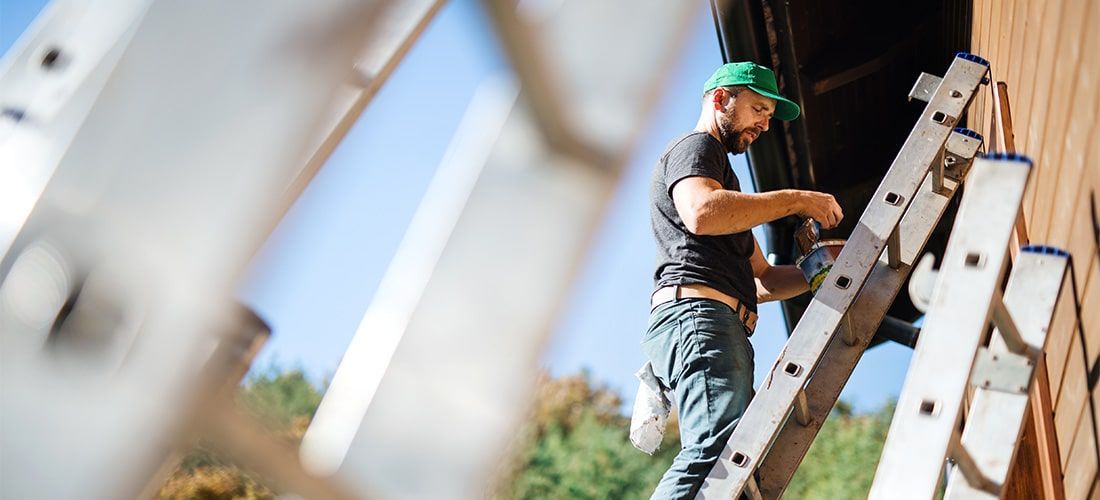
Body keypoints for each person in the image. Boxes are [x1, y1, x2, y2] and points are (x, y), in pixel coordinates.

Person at [643, 61, 844, 499]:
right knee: (716, 443)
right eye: (757, 109)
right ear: (721, 100)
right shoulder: (697, 148)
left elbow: (764, 279)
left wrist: (829, 266)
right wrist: (796, 199)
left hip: (715, 320)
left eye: (769, 116)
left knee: (735, 462)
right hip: (698, 318)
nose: (764, 124)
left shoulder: (724, 188)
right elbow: (700, 212)